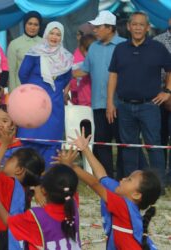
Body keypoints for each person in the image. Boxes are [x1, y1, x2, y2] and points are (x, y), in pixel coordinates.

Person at [107, 11, 171, 191]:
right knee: (129, 148)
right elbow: (113, 76)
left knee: (154, 146)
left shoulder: (158, 48)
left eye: (141, 24)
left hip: (150, 106)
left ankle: (158, 185)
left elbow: (169, 70)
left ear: (147, 27)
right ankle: (132, 185)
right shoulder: (120, 49)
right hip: (124, 105)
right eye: (134, 24)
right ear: (128, 26)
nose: (137, 28)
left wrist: (167, 91)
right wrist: (111, 103)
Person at [70, 128, 161, 249]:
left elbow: (94, 184)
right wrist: (85, 149)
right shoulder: (122, 193)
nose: (123, 179)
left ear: (136, 195)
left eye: (129, 179)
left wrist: (72, 166)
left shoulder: (124, 206)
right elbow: (101, 175)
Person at [73, 10, 127, 179]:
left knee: (122, 142)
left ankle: (123, 176)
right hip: (97, 103)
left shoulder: (124, 45)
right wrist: (62, 73)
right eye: (94, 27)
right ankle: (106, 178)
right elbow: (84, 70)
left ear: (110, 28)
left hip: (120, 103)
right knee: (102, 143)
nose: (94, 30)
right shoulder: (94, 47)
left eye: (98, 27)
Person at [17, 21, 73, 169]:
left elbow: (67, 79)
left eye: (58, 34)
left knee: (51, 144)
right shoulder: (35, 52)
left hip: (55, 106)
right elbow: (22, 74)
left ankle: (48, 181)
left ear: (62, 37)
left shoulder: (66, 58)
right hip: (33, 104)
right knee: (28, 141)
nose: (54, 37)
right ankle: (26, 181)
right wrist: (34, 91)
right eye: (52, 33)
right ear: (46, 33)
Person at [153, 18, 171, 184]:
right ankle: (161, 175)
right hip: (159, 95)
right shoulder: (157, 41)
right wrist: (165, 93)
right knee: (160, 136)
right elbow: (153, 70)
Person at [7, 11, 42, 92]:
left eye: (36, 25)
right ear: (24, 24)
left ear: (39, 26)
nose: (32, 27)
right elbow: (11, 71)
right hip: (21, 90)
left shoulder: (45, 43)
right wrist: (13, 92)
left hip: (40, 90)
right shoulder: (14, 44)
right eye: (30, 24)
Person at [68, 34, 96, 106]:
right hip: (87, 100)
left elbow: (77, 73)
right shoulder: (96, 59)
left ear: (82, 47)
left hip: (87, 102)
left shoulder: (90, 61)